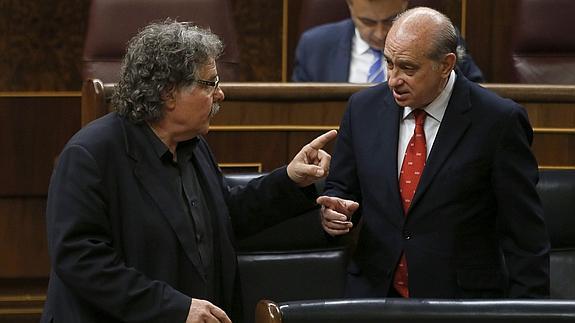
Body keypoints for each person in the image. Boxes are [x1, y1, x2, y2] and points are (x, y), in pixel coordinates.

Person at [41, 20, 337, 323]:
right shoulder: (90, 155)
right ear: (169, 92)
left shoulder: (191, 145)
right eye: (210, 83)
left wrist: (290, 178)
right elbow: (80, 260)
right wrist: (174, 308)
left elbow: (226, 214)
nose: (220, 94)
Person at [317, 7, 549, 299]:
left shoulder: (498, 121)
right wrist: (334, 213)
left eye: (408, 68)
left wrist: (528, 313)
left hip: (460, 303)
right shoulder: (362, 109)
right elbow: (342, 189)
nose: (393, 79)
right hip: (375, 297)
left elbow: (525, 235)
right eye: (389, 63)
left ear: (446, 64)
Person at [292, 0, 484, 83]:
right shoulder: (314, 47)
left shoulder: (436, 38)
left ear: (404, 4)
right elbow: (299, 113)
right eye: (367, 22)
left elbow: (473, 94)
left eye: (390, 20)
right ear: (350, 6)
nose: (380, 33)